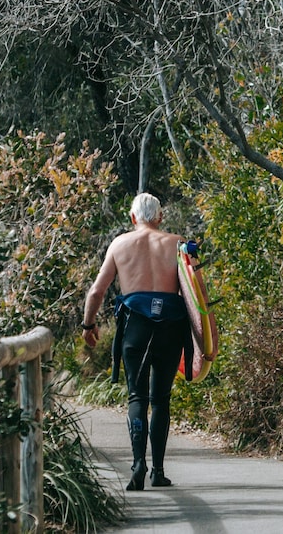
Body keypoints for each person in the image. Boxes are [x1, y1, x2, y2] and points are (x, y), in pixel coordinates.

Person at [82, 193, 189, 491]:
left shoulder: (120, 244)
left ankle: (138, 464)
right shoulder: (177, 243)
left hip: (134, 328)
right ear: (160, 217)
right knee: (161, 399)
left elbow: (96, 292)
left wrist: (88, 324)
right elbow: (195, 294)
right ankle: (158, 471)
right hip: (170, 327)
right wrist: (206, 339)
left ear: (132, 218)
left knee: (136, 398)